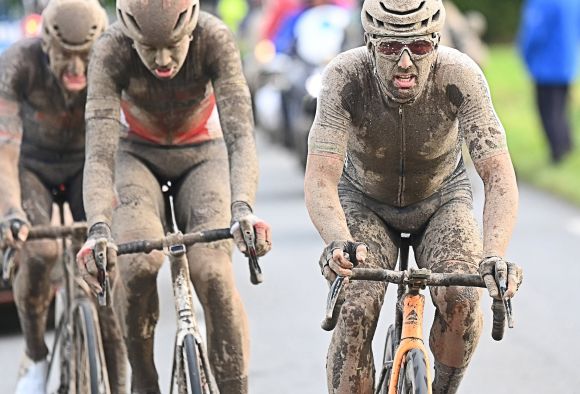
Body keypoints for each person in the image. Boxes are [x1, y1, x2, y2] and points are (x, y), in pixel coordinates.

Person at [304, 0, 523, 393]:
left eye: (420, 48)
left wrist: (493, 254)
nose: (405, 63)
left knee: (462, 296)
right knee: (355, 308)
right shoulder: (345, 77)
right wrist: (338, 239)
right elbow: (321, 177)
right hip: (364, 203)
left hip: (440, 201)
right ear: (369, 44)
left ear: (436, 43)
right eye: (390, 48)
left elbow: (498, 175)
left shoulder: (461, 76)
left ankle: (443, 386)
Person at [75, 0, 273, 392]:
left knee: (213, 272)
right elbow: (98, 155)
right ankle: (144, 378)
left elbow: (240, 138)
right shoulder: (110, 48)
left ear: (192, 27)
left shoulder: (214, 37)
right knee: (137, 266)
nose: (163, 60)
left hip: (204, 153)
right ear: (130, 37)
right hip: (136, 157)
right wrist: (99, 227)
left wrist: (242, 209)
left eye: (174, 45)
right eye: (148, 49)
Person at [0, 0, 128, 393]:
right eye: (64, 57)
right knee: (41, 254)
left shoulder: (113, 59)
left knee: (106, 266)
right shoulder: (18, 63)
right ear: (44, 47)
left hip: (87, 167)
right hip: (31, 166)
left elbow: (130, 137)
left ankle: (118, 381)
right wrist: (11, 211)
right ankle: (36, 356)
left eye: (83, 58)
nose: (75, 69)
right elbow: (4, 148)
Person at [518, 0, 580, 163]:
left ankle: (558, 154)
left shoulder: (542, 2)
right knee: (561, 109)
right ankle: (567, 147)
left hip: (546, 66)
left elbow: (534, 33)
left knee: (548, 111)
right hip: (568, 64)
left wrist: (525, 55)